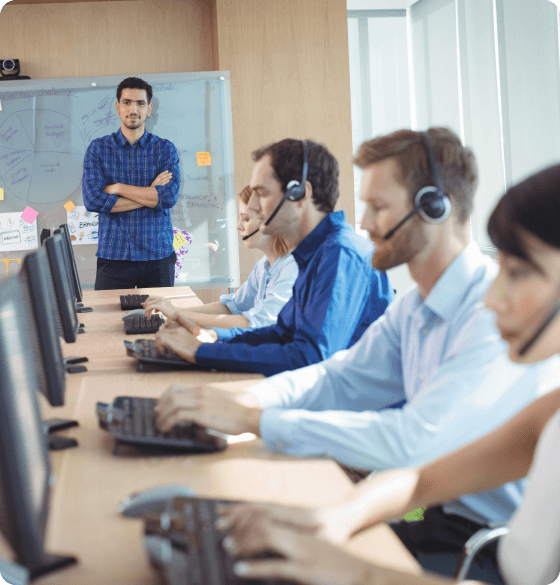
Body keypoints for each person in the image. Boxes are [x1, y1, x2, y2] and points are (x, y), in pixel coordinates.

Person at [153, 128, 559, 577]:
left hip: (476, 550)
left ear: (434, 208)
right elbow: (345, 383)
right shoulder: (419, 310)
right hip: (450, 528)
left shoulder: (482, 323)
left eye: (379, 206)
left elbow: (412, 443)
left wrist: (255, 419)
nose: (363, 222)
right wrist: (335, 515)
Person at [151, 138, 394, 376]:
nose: (253, 206)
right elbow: (280, 333)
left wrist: (202, 352)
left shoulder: (340, 254)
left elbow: (309, 358)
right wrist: (214, 338)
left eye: (262, 193)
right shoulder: (311, 253)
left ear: (300, 194)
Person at [142, 185, 298, 339]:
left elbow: (256, 324)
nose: (238, 226)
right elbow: (231, 308)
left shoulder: (291, 268)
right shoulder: (263, 266)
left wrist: (178, 315)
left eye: (246, 219)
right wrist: (173, 310)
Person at [82, 76, 180, 290]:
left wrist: (117, 189)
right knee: (107, 322)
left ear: (149, 108)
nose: (133, 109)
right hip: (113, 257)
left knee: (160, 321)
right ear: (117, 107)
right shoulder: (98, 149)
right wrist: (151, 195)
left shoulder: (165, 149)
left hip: (158, 256)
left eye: (140, 103)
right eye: (127, 102)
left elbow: (169, 197)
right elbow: (93, 201)